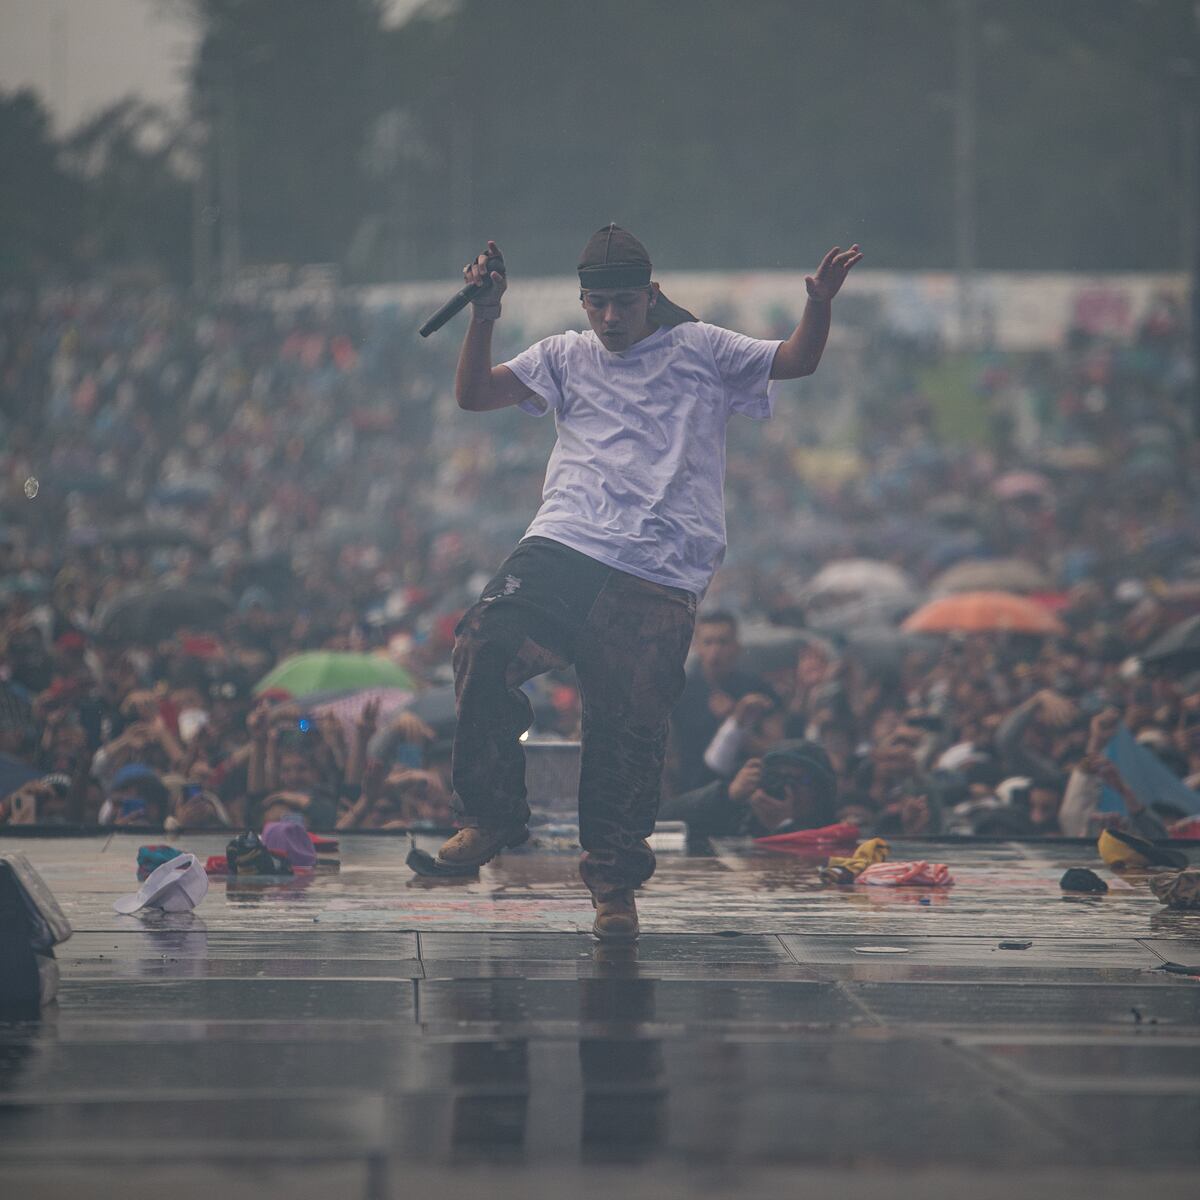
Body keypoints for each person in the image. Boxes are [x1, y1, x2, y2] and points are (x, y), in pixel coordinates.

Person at [428, 225, 861, 939]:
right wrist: (484, 315)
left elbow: (796, 360)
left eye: (622, 303)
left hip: (659, 568)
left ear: (651, 296)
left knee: (625, 728)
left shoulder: (703, 349)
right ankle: (491, 815)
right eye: (595, 303)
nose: (608, 318)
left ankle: (614, 884)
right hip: (565, 541)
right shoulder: (564, 354)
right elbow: (475, 393)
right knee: (483, 639)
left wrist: (818, 305)